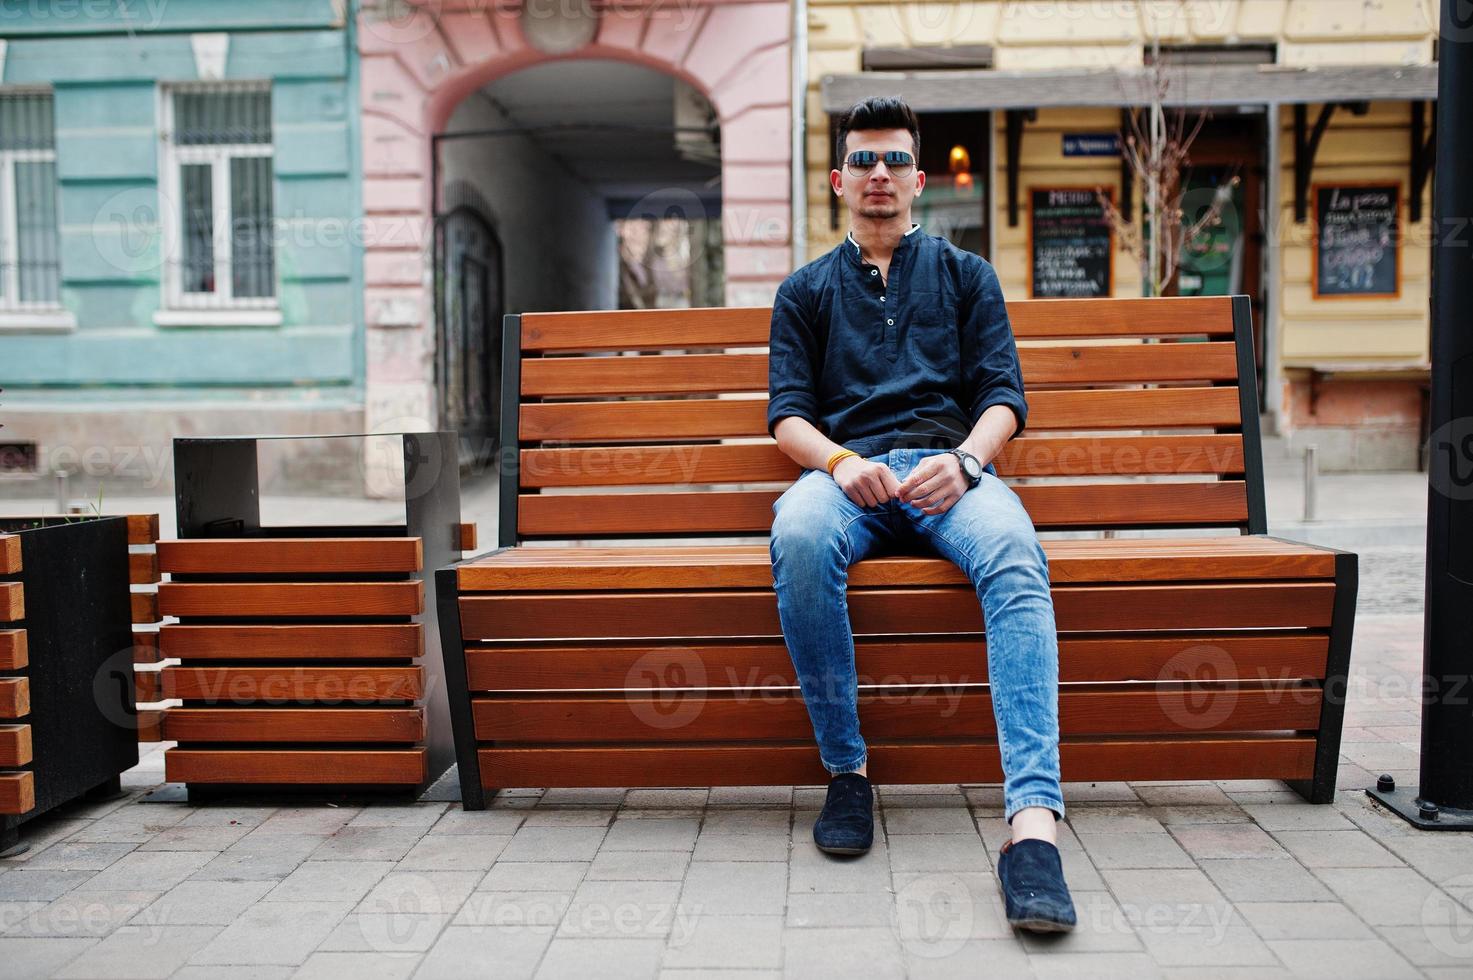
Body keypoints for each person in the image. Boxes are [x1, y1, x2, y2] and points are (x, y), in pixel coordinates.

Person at [766, 96, 1076, 933]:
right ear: (837, 180)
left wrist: (968, 461)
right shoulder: (803, 292)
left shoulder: (967, 275)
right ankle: (847, 773)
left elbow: (1004, 397)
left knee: (1014, 554)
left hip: (952, 474)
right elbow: (787, 414)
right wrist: (841, 462)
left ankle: (1032, 827)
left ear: (918, 177)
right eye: (863, 161)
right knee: (795, 535)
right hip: (849, 479)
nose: (879, 174)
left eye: (894, 160)